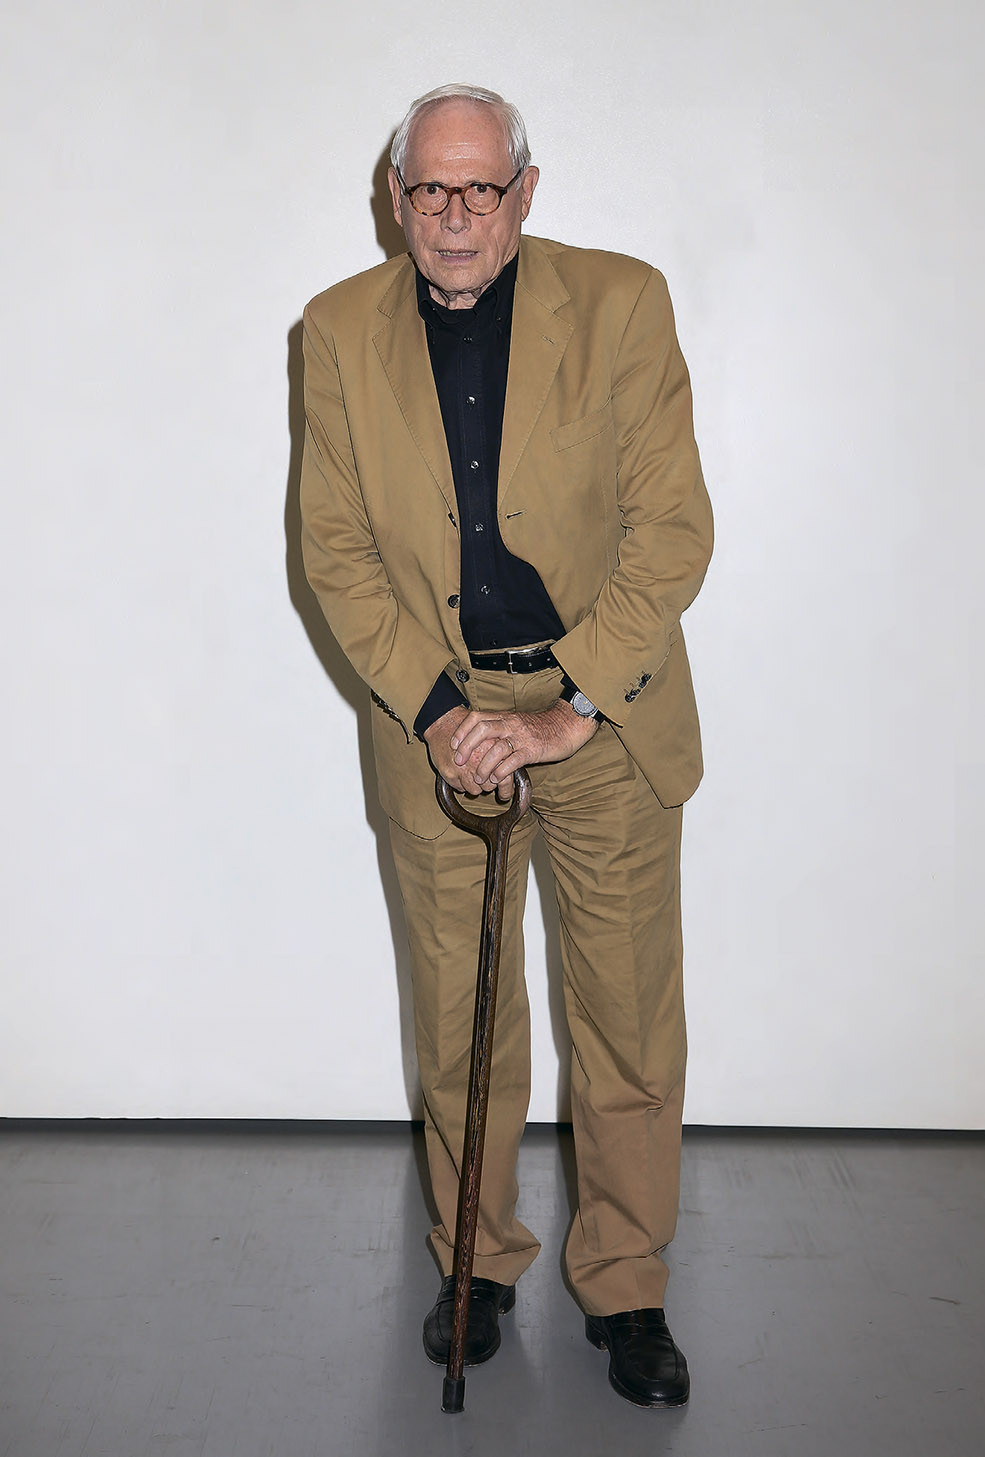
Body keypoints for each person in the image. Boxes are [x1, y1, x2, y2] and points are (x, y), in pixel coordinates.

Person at [300, 83, 712, 1408]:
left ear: (526, 193)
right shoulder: (335, 332)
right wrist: (440, 714)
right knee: (458, 1021)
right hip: (437, 713)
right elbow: (337, 553)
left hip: (602, 710)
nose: (455, 217)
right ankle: (474, 1265)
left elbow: (670, 531)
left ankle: (627, 1283)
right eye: (430, 189)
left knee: (626, 1021)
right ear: (395, 197)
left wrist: (567, 704)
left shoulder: (625, 305)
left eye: (481, 188)